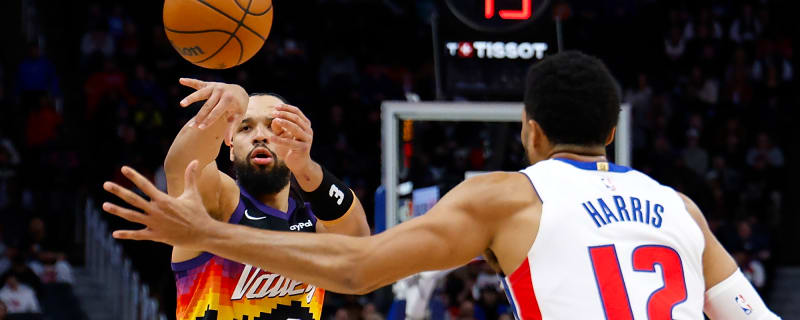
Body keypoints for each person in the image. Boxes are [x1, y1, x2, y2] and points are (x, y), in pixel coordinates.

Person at [102, 52, 780, 319]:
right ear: (614, 128)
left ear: (531, 133)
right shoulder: (681, 210)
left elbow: (361, 262)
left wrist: (206, 236)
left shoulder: (507, 194)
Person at [111, 78, 370, 320]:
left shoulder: (312, 217)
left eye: (274, 126)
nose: (260, 135)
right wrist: (231, 100)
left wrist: (306, 168)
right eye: (245, 127)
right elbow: (181, 166)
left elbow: (359, 245)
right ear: (231, 148)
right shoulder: (219, 202)